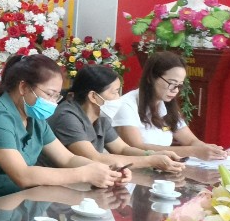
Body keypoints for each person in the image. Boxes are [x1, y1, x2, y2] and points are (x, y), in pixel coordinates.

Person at [0, 53, 125, 203]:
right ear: (23, 87)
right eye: (49, 94)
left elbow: (67, 158)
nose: (53, 102)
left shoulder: (34, 118)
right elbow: (23, 175)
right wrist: (84, 174)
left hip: (22, 199)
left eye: (57, 96)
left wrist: (105, 170)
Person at [48, 65, 185, 172]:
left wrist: (154, 154)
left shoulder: (101, 115)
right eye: (114, 92)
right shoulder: (67, 116)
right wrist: (151, 161)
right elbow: (94, 158)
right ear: (93, 96)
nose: (118, 98)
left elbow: (122, 149)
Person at [109, 51, 228, 159]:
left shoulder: (167, 106)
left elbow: (191, 141)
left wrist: (209, 149)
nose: (175, 90)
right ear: (151, 78)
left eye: (179, 85)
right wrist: (193, 151)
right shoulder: (126, 105)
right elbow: (136, 147)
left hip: (161, 167)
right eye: (172, 83)